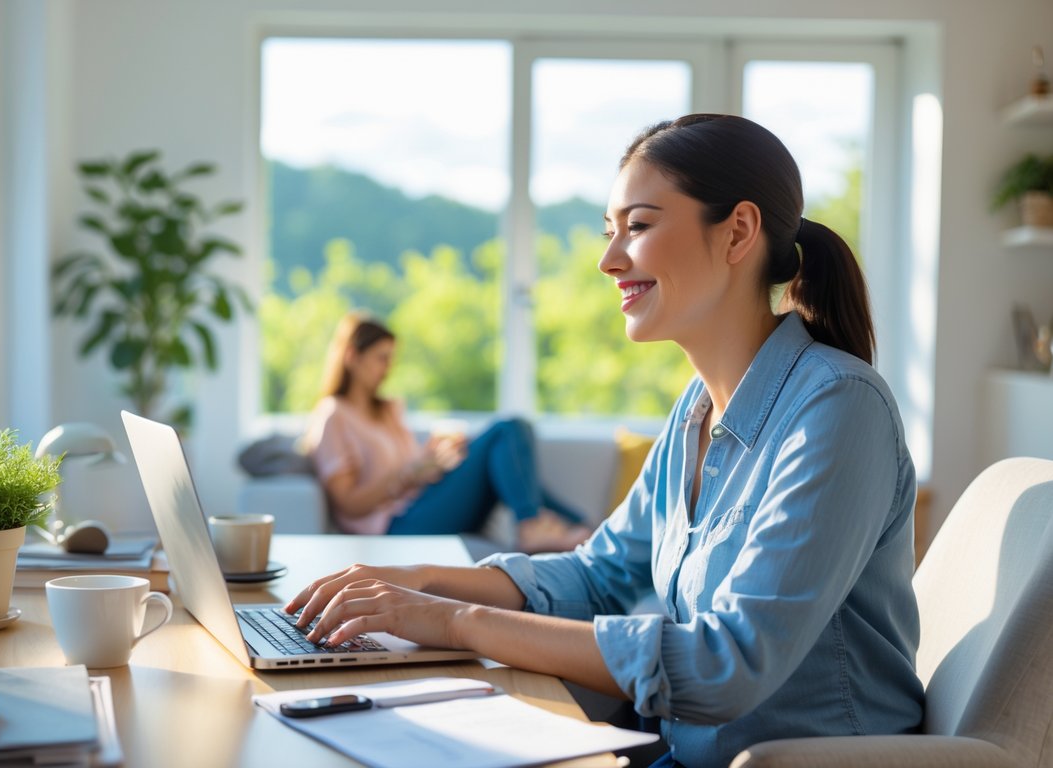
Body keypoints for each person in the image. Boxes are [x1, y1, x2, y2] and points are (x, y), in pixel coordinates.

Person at [285, 114, 925, 768]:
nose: (607, 259)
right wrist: (411, 585)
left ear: (737, 232)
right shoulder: (693, 413)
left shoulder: (837, 407)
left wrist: (448, 620)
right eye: (609, 231)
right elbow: (600, 573)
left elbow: (725, 665)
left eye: (639, 226)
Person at [302, 311, 590, 553]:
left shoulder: (387, 410)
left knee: (506, 449)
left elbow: (409, 467)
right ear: (352, 357)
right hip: (395, 527)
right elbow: (348, 505)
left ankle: (582, 525)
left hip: (421, 502)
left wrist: (431, 458)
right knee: (507, 430)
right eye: (381, 358)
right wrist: (405, 476)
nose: (388, 369)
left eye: (392, 359)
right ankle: (537, 525)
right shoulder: (334, 415)